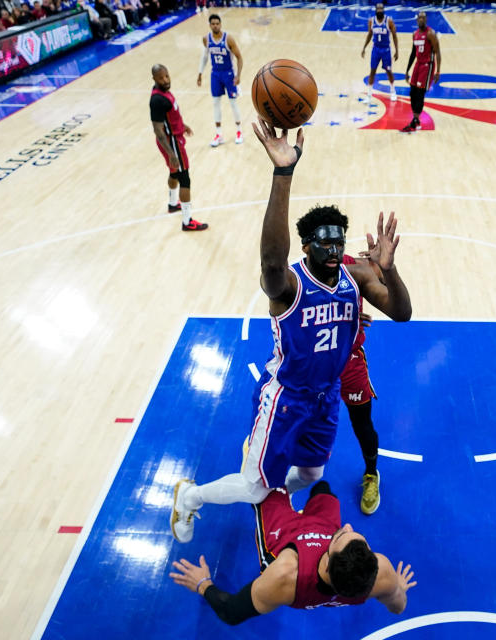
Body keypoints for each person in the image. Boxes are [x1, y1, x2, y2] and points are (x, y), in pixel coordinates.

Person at [169, 122, 412, 543]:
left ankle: (264, 468)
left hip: (326, 395)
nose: (334, 250)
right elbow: (270, 260)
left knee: (312, 472)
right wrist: (283, 174)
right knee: (254, 487)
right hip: (286, 394)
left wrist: (389, 270)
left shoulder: (356, 275)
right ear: (305, 247)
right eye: (323, 244)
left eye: (339, 242)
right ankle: (189, 498)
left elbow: (403, 313)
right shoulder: (290, 285)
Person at [168, 481, 416, 623]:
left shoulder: (285, 576)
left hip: (284, 538)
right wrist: (397, 588)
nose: (348, 526)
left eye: (342, 533)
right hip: (320, 532)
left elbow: (231, 611)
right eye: (355, 536)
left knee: (265, 485)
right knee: (323, 489)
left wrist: (202, 584)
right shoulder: (381, 574)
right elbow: (398, 606)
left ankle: (190, 497)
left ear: (328, 562)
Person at [340, 254, 384, 515]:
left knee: (362, 424)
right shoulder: (300, 274)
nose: (332, 248)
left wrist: (383, 266)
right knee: (302, 418)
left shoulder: (352, 265)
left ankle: (371, 475)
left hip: (349, 362)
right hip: (316, 362)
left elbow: (382, 286)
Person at [150, 64, 208, 231]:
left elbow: (170, 119)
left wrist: (183, 125)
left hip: (173, 138)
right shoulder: (157, 100)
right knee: (185, 178)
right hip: (171, 143)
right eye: (161, 78)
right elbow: (158, 130)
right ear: (154, 79)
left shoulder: (164, 93)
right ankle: (187, 220)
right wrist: (171, 153)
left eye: (166, 76)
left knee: (174, 172)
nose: (165, 80)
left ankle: (172, 203)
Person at [197, 14, 244, 147]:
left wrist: (238, 75)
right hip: (215, 74)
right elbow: (205, 56)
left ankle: (239, 131)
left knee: (233, 103)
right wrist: (200, 73)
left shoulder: (228, 38)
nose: (215, 25)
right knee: (216, 103)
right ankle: (219, 134)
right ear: (210, 25)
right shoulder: (206, 39)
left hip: (229, 74)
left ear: (221, 24)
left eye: (217, 23)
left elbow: (240, 57)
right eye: (213, 23)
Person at [402, 12, 441, 133]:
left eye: (423, 18)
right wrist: (407, 70)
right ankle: (415, 118)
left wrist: (438, 71)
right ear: (417, 20)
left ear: (426, 20)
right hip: (418, 65)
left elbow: (437, 52)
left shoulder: (430, 33)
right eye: (419, 17)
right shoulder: (414, 34)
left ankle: (415, 120)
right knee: (412, 92)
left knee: (420, 93)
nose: (421, 19)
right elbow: (413, 53)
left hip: (427, 66)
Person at [361, 3, 398, 103]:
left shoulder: (389, 21)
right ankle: (369, 95)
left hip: (386, 50)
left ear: (383, 10)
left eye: (381, 9)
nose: (380, 10)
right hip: (376, 49)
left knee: (389, 71)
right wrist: (364, 47)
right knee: (372, 71)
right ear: (375, 10)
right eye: (378, 9)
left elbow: (394, 36)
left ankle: (393, 91)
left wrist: (397, 50)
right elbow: (369, 34)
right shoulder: (371, 21)